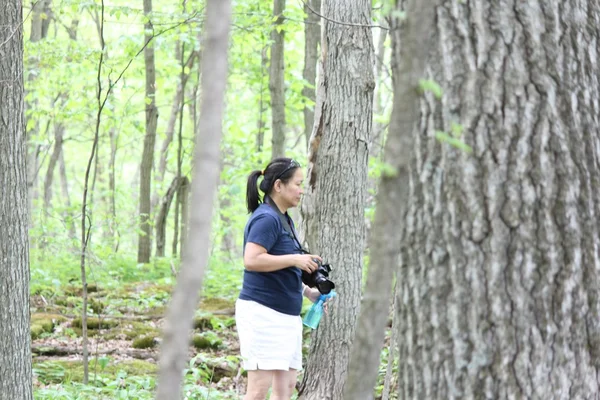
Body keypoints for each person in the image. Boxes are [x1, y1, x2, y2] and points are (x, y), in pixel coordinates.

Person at [235, 157, 323, 400]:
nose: (301, 190)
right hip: (263, 314)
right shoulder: (266, 218)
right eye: (297, 183)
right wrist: (295, 259)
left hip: (287, 316)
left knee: (285, 390)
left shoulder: (284, 218)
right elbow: (252, 260)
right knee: (257, 392)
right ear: (278, 186)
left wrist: (307, 291)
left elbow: (280, 266)